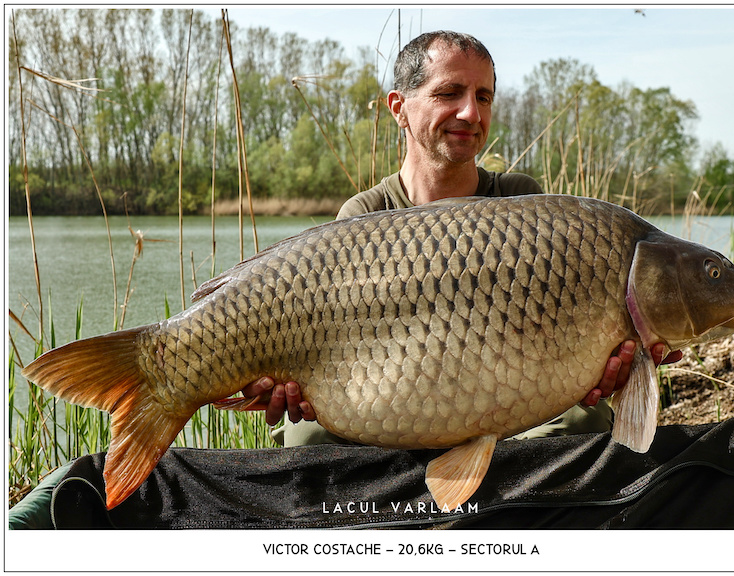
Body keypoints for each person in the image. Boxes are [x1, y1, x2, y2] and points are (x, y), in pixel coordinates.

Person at [240, 30, 681, 446]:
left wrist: (603, 364)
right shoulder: (363, 217)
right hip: (391, 417)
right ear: (399, 108)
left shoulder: (522, 202)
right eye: (449, 93)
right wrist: (286, 385)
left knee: (584, 421)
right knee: (306, 438)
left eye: (483, 97)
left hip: (505, 413)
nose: (471, 113)